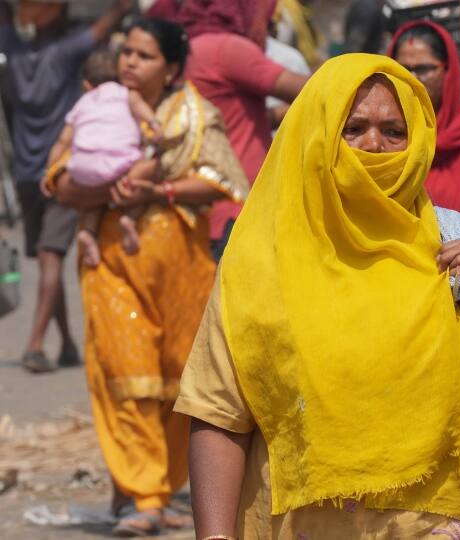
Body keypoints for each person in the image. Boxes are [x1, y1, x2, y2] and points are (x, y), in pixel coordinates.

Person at [175, 54, 460, 540]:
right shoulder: (259, 262)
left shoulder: (453, 248)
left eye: (394, 131)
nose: (374, 146)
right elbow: (219, 414)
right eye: (352, 128)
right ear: (317, 132)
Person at [52, 17, 248, 537]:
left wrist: (156, 192)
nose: (130, 64)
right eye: (127, 53)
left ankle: (154, 487)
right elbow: (62, 181)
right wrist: (114, 188)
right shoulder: (102, 107)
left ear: (174, 68)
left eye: (144, 55)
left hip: (182, 272)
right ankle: (144, 494)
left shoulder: (196, 117)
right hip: (110, 266)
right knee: (125, 373)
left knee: (179, 383)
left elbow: (222, 181)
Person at [0, 0, 132, 373]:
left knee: (46, 255)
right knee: (50, 258)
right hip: (61, 171)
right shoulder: (65, 53)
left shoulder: (14, 51)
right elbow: (106, 25)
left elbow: (5, 17)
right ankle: (52, 343)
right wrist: (122, 9)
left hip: (27, 172)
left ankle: (52, 344)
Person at [179, 0, 308, 261]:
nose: (265, 27)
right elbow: (313, 88)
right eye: (265, 19)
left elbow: (231, 117)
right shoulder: (228, 49)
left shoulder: (195, 46)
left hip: (210, 205)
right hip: (237, 207)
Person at [44, 49, 164, 267]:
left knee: (93, 197)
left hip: (81, 168)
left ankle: (88, 232)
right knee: (150, 165)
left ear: (87, 85)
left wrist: (49, 173)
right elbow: (141, 110)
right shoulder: (127, 93)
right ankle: (130, 217)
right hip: (120, 163)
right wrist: (155, 125)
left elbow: (63, 141)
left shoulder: (83, 102)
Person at [389, 20, 460, 214]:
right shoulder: (380, 139)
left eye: (423, 69)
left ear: (448, 71)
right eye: (402, 69)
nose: (412, 79)